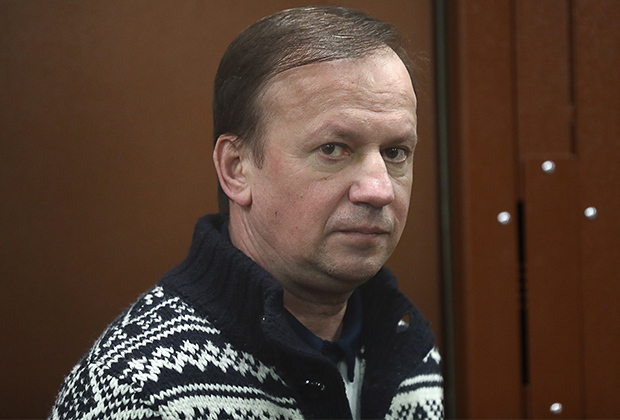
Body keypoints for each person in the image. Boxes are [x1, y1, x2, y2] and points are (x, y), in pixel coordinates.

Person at [50, 6, 443, 420]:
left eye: (395, 152)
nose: (379, 190)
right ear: (236, 169)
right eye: (333, 149)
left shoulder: (411, 359)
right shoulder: (136, 392)